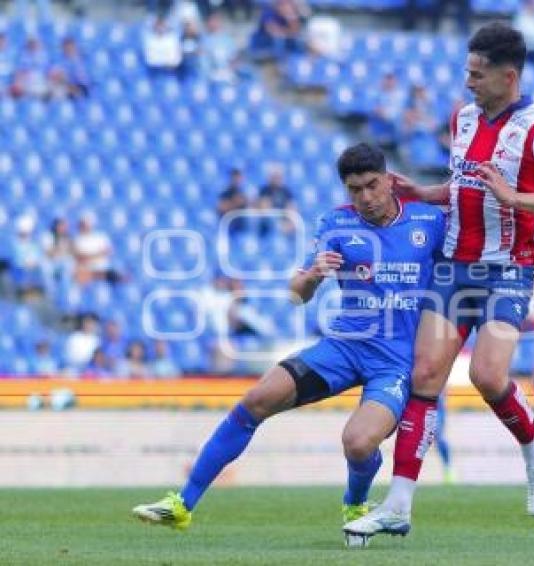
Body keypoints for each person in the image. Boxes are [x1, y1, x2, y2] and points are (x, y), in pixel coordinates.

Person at [345, 22, 534, 539]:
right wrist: (425, 192)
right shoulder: (463, 118)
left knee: (486, 375)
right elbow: (465, 187)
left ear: (509, 76)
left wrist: (515, 197)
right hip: (454, 266)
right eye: (467, 72)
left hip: (508, 270)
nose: (468, 82)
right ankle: (398, 505)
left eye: (477, 74)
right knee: (425, 376)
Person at [132, 143, 446, 534]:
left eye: (371, 185)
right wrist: (313, 275)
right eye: (354, 189)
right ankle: (182, 504)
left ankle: (354, 503)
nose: (365, 197)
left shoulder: (428, 221)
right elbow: (296, 294)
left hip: (395, 361)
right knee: (256, 399)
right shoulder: (336, 223)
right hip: (344, 347)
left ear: (389, 180)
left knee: (358, 443)